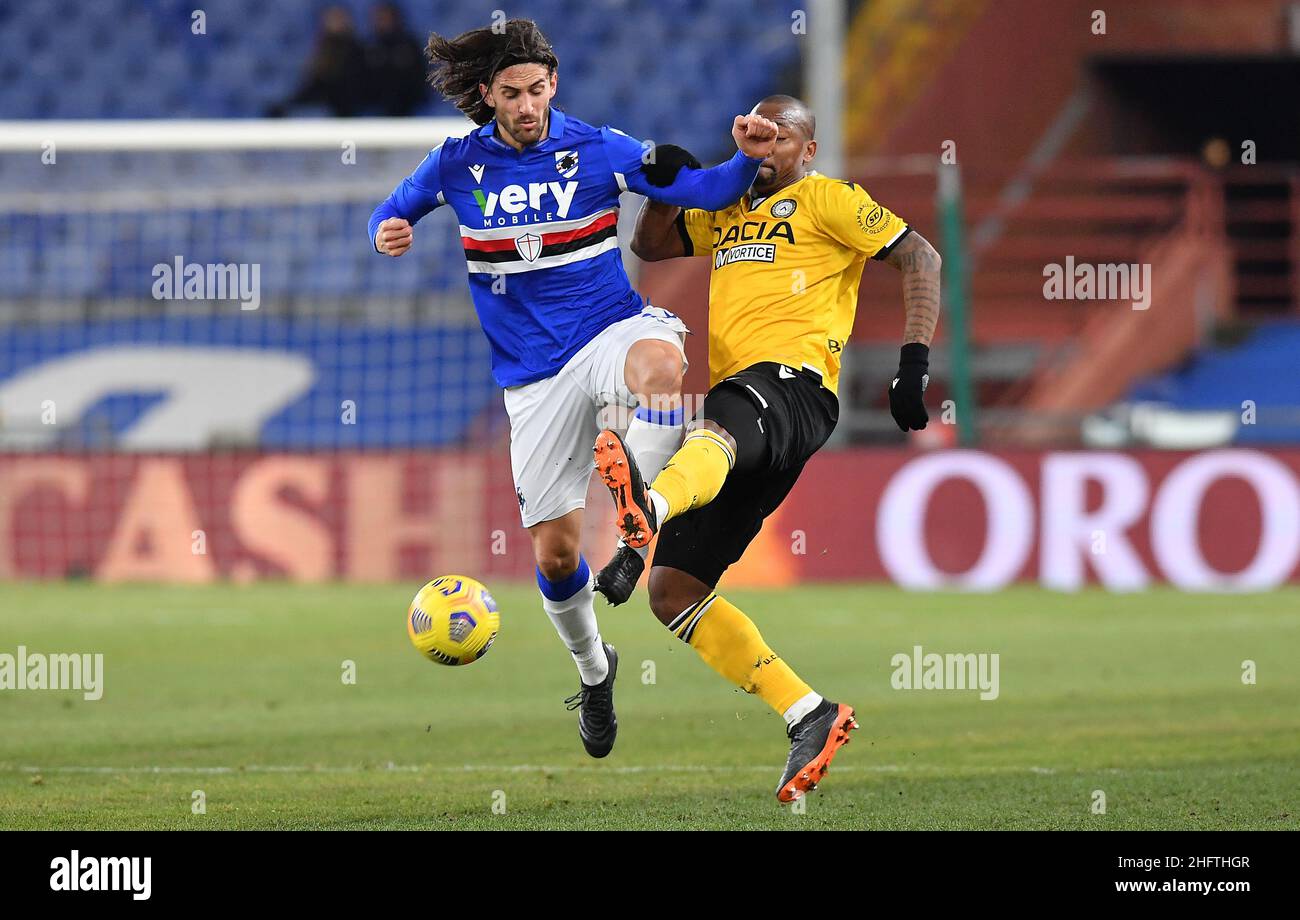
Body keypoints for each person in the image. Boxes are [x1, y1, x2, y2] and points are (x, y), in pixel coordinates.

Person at [368, 19, 778, 760]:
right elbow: (388, 210)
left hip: (608, 329)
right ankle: (594, 673)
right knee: (556, 560)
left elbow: (704, 187)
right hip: (531, 378)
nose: (527, 105)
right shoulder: (454, 164)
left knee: (661, 365)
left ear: (553, 83)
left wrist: (745, 161)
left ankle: (638, 515)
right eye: (511, 94)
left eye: (537, 89)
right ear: (486, 95)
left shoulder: (599, 147)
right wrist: (387, 232)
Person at [593, 95, 942, 801]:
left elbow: (920, 256)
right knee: (674, 591)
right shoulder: (727, 205)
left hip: (793, 386)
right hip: (751, 415)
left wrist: (913, 364)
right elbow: (651, 245)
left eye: (780, 137)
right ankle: (809, 713)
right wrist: (667, 182)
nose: (767, 147)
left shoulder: (828, 200)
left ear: (807, 150)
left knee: (714, 423)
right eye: (757, 135)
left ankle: (646, 511)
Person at [266, 6, 367, 117]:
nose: (334, 23)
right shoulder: (323, 49)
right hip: (323, 102)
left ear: (348, 21)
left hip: (344, 106)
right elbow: (314, 84)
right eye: (331, 19)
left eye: (338, 19)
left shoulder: (356, 49)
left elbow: (350, 85)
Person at [365, 2, 429, 116]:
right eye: (380, 18)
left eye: (387, 18)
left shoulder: (410, 45)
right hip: (377, 110)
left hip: (412, 108)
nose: (384, 22)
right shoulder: (369, 47)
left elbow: (422, 79)